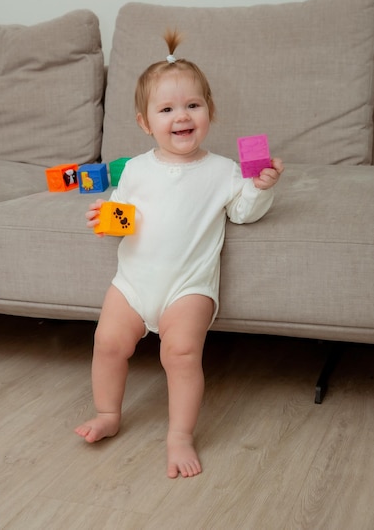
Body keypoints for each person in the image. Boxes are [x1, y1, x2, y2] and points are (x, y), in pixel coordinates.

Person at [75, 29, 284, 478]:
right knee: (107, 343)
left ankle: (179, 436)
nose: (181, 116)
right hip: (132, 282)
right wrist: (107, 215)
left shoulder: (223, 171)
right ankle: (108, 413)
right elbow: (125, 216)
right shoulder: (134, 168)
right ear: (145, 123)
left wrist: (260, 186)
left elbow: (244, 212)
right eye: (167, 109)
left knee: (182, 354)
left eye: (192, 105)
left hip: (188, 287)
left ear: (210, 111)